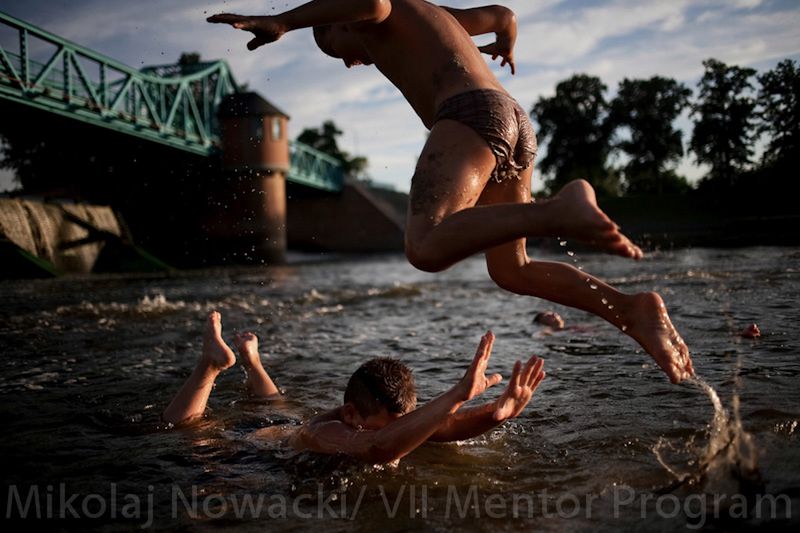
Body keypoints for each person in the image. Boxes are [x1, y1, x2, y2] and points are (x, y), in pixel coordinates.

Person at [207, 0, 695, 383]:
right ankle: (630, 308)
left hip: (471, 115)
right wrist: (506, 46)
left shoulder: (379, 10)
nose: (352, 62)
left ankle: (558, 210)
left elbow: (370, 2)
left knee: (424, 244)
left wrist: (283, 23)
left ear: (341, 21)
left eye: (337, 47)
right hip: (514, 120)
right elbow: (504, 17)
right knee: (512, 269)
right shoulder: (437, 15)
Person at [163, 312, 546, 464]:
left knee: (276, 403)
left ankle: (252, 359)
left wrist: (497, 413)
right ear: (351, 415)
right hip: (253, 444)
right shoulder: (326, 432)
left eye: (401, 423)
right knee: (190, 437)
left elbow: (441, 427)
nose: (399, 432)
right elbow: (378, 447)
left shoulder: (379, 420)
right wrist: (458, 393)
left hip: (284, 422)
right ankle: (210, 367)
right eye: (388, 425)